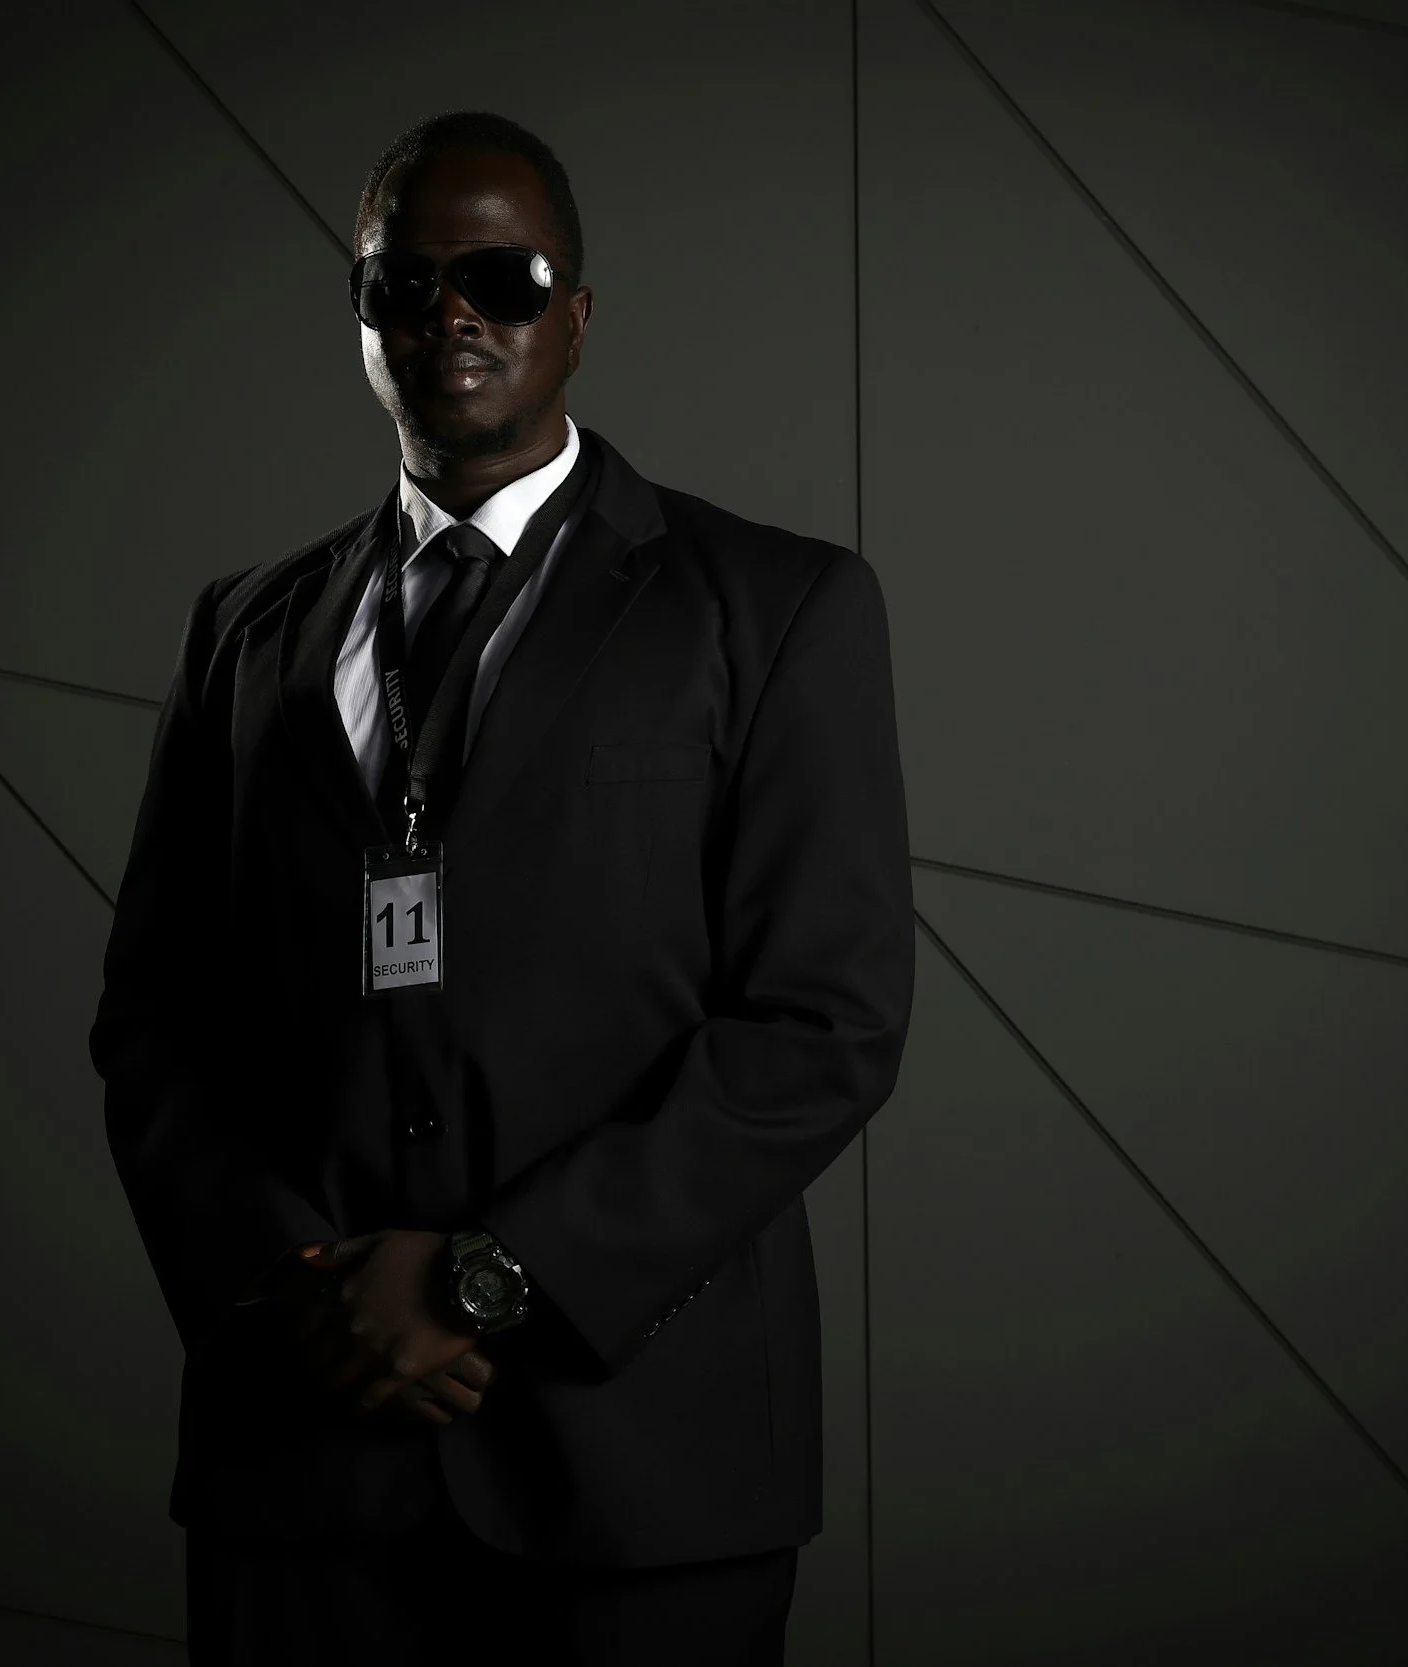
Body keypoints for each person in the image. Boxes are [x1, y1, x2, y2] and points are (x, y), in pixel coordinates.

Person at [89, 108, 915, 1666]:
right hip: (303, 1466)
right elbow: (155, 1021)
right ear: (360, 316)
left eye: (506, 276)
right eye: (405, 282)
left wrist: (494, 1277)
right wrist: (297, 1286)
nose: (453, 312)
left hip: (641, 1475)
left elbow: (826, 1019)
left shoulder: (777, 610)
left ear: (577, 314)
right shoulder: (240, 633)